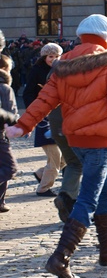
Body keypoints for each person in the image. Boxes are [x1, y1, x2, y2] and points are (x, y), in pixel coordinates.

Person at [5, 14, 107, 278]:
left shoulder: (65, 62)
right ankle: (60, 257)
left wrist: (23, 124)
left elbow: (45, 98)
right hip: (99, 139)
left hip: (74, 138)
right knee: (89, 198)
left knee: (106, 189)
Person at [22, 42, 66, 196]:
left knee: (66, 157)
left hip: (60, 118)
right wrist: (33, 112)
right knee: (55, 157)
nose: (53, 59)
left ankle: (41, 174)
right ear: (44, 57)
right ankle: (43, 188)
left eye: (57, 56)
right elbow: (28, 93)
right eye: (50, 56)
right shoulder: (36, 70)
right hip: (43, 117)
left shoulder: (62, 70)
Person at [0, 53, 19, 213]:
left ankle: (0, 201)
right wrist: (19, 124)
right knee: (9, 167)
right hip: (2, 133)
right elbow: (10, 111)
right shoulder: (5, 87)